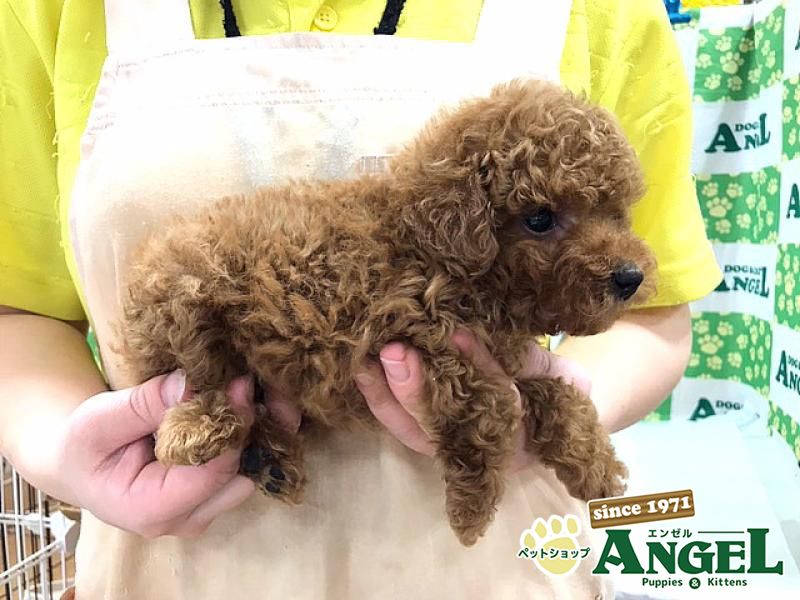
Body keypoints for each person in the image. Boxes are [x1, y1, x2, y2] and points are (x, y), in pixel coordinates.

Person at [0, 0, 721, 598]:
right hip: (174, 564)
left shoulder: (602, 10)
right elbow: (18, 310)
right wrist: (64, 452)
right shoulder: (45, 11)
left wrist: (566, 406)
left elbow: (651, 313)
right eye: (542, 221)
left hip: (504, 568)